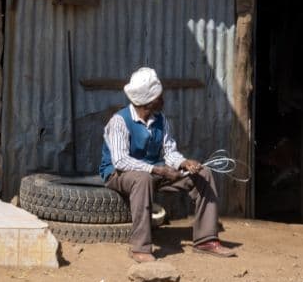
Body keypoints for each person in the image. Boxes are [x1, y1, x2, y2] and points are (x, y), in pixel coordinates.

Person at [100, 67, 235, 262]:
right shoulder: (119, 121)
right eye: (159, 96)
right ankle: (141, 247)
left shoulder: (161, 120)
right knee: (142, 178)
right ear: (149, 101)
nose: (163, 98)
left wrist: (183, 163)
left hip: (153, 173)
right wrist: (156, 169)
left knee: (203, 174)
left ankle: (206, 240)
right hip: (119, 174)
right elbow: (120, 161)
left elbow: (170, 151)